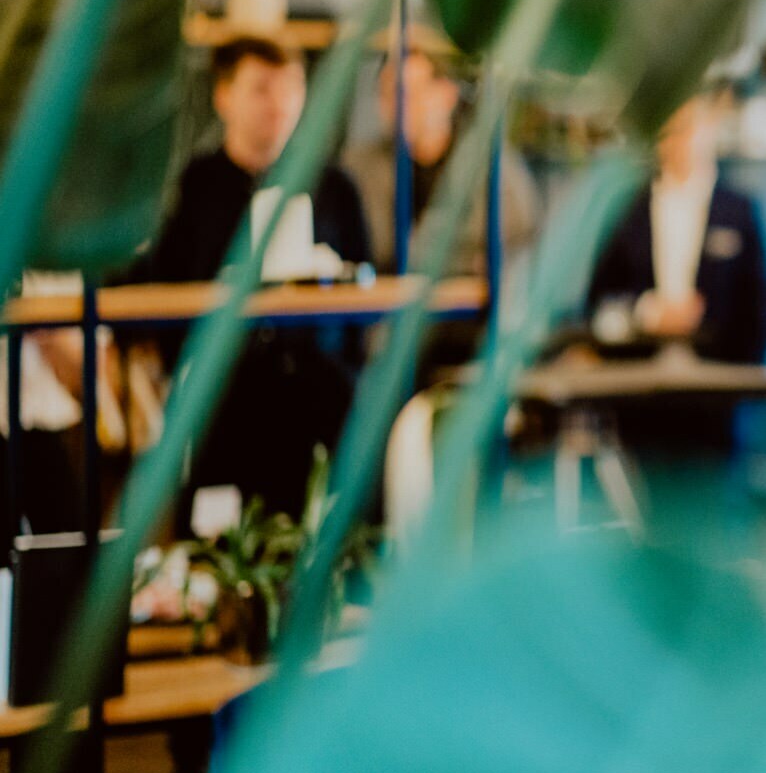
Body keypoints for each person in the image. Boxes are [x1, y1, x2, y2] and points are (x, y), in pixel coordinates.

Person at [139, 37, 372, 517]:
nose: (280, 103)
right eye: (262, 88)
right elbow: (164, 291)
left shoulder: (335, 188)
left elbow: (364, 300)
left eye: (292, 87)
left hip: (317, 396)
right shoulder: (193, 187)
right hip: (225, 399)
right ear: (224, 97)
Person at [587, 93, 766, 459]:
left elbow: (760, 310)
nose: (680, 141)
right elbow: (597, 302)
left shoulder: (738, 211)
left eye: (688, 129)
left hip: (714, 394)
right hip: (637, 389)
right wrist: (648, 313)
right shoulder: (628, 211)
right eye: (670, 132)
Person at [341, 50, 540, 277]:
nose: (395, 107)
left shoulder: (491, 166)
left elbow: (523, 249)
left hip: (468, 308)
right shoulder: (358, 169)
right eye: (385, 94)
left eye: (406, 93)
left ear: (447, 93)